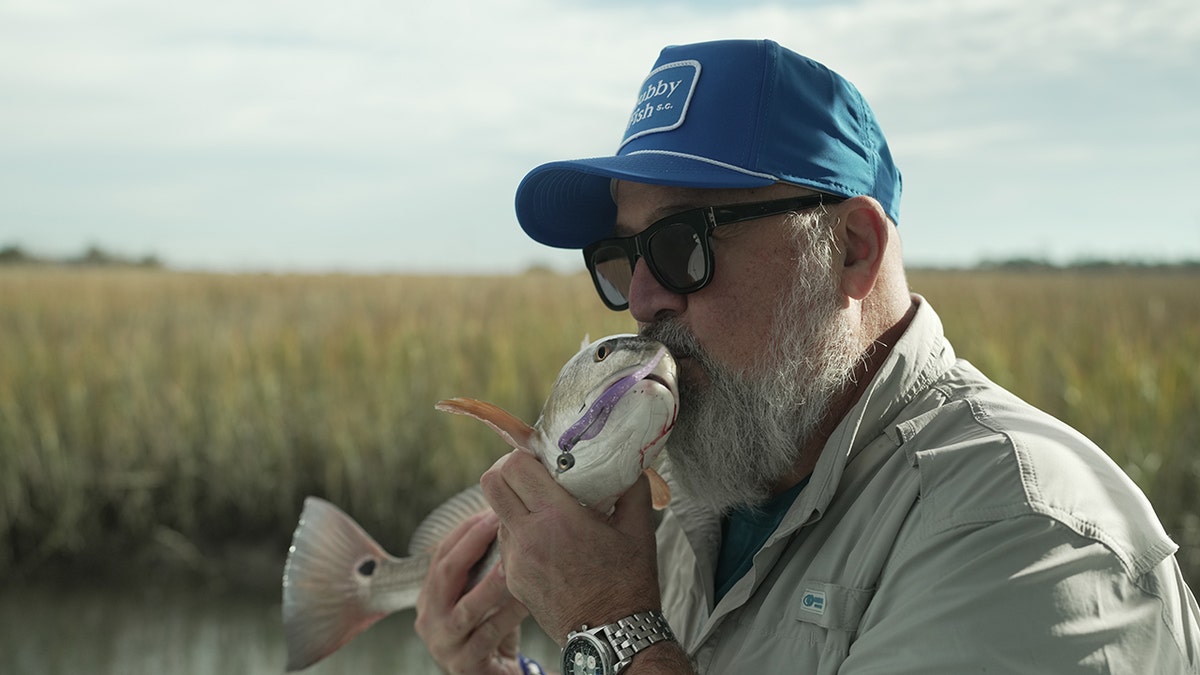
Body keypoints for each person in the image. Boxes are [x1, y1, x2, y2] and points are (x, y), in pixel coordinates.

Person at [414, 38, 1200, 674]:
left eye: (683, 243)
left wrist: (609, 628)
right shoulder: (710, 491)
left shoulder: (1025, 535)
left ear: (851, 250)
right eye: (621, 256)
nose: (646, 296)